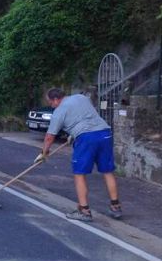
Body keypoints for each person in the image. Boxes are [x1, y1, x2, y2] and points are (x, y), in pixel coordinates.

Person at [36, 87, 122, 222]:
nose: (51, 106)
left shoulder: (59, 111)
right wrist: (73, 133)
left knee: (79, 174)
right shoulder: (81, 97)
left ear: (56, 99)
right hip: (105, 133)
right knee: (107, 171)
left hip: (86, 139)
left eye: (50, 103)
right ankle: (115, 206)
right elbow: (85, 115)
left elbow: (49, 137)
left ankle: (84, 210)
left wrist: (44, 153)